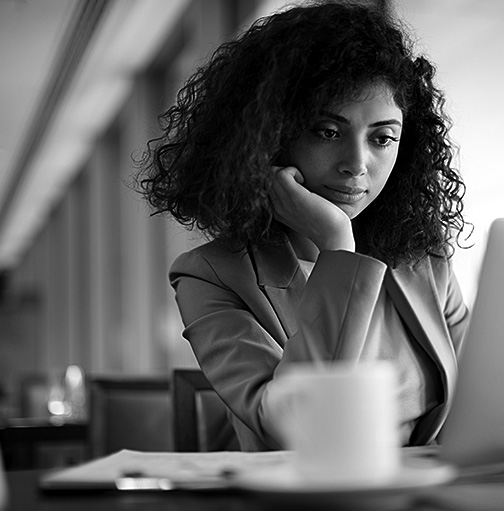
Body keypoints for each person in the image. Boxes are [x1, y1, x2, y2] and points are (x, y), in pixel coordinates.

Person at [135, 0, 470, 451]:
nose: (357, 164)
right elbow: (297, 427)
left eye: (382, 138)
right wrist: (337, 247)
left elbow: (482, 399)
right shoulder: (209, 276)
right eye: (327, 132)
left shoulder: (426, 259)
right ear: (269, 136)